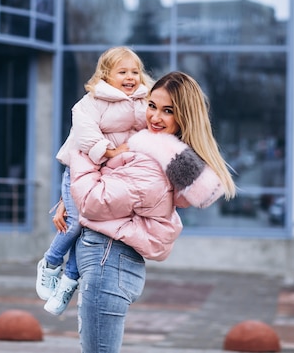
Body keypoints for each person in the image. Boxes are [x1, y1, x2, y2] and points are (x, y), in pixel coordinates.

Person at [68, 71, 237, 353]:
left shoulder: (148, 163)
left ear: (184, 118)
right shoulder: (154, 153)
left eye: (168, 111)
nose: (155, 117)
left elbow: (91, 202)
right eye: (152, 106)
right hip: (111, 261)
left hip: (107, 261)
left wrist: (81, 156)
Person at [35, 46, 153, 316]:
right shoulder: (91, 101)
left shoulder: (143, 101)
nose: (130, 77)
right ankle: (51, 262)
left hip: (108, 177)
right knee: (75, 223)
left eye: (135, 71)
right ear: (106, 74)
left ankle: (68, 282)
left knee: (90, 228)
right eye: (122, 71)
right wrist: (111, 151)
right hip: (81, 170)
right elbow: (85, 134)